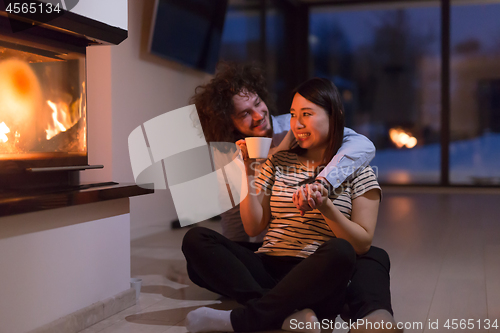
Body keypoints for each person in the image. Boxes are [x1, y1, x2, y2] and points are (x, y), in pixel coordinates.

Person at [183, 78, 402, 333]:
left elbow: (362, 242)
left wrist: (325, 204)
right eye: (294, 115)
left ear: (335, 114)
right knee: (196, 239)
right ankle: (287, 313)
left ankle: (248, 319)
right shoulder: (276, 162)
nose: (296, 124)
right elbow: (253, 227)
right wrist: (247, 169)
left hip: (318, 272)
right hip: (271, 262)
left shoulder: (356, 168)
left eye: (306, 114)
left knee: (350, 252)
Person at [190, 62, 375, 248]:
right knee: (198, 241)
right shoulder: (228, 155)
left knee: (365, 256)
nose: (258, 116)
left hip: (315, 243)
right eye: (245, 113)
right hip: (268, 243)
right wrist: (236, 260)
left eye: (258, 103)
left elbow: (361, 143)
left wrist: (321, 182)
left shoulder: (293, 125)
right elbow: (234, 220)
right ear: (227, 122)